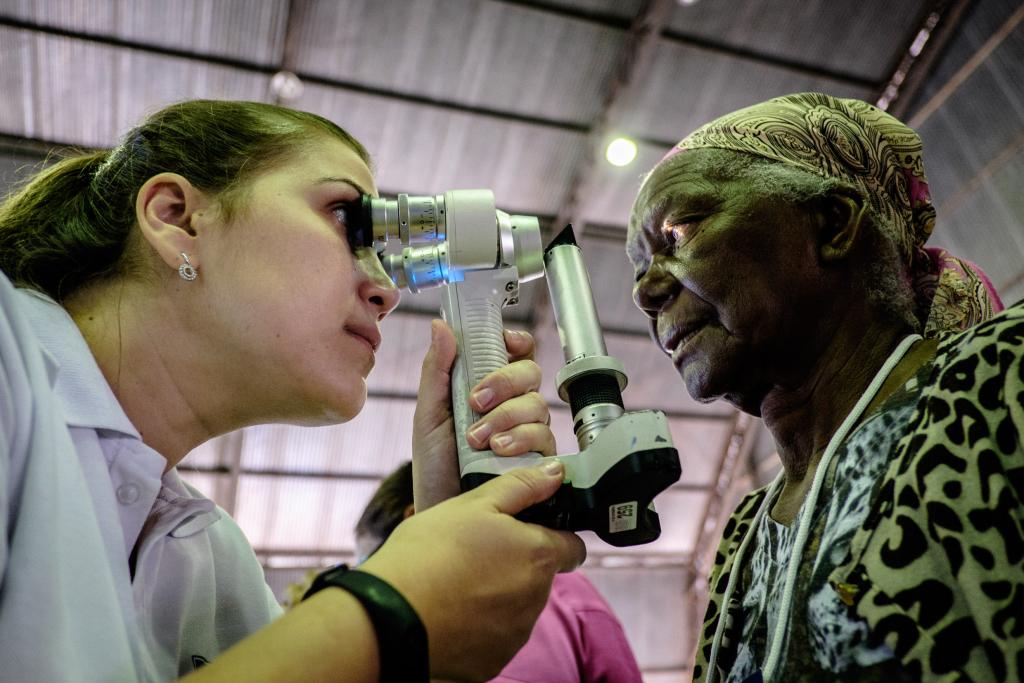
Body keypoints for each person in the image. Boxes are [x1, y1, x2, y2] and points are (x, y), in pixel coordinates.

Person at [0, 99, 585, 683]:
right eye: (346, 219)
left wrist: (440, 592)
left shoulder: (212, 563)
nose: (387, 290)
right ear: (177, 219)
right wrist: (387, 614)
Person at [626, 92, 1022, 682]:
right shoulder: (743, 537)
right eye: (640, 267)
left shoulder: (1002, 372)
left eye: (679, 233)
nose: (645, 293)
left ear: (832, 225)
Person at [352, 461, 645, 683]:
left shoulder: (384, 642)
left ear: (413, 520)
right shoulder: (564, 587)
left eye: (371, 562)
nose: (369, 581)